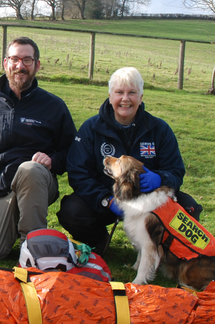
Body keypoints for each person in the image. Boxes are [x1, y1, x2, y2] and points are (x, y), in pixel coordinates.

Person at [0, 37, 76, 264]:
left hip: (36, 183)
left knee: (30, 169)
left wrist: (52, 160)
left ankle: (34, 246)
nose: (20, 66)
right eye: (15, 59)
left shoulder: (54, 106)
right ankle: (9, 225)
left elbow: (71, 151)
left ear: (37, 65)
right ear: (5, 63)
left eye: (27, 60)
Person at [58, 67, 203, 253]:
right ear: (110, 96)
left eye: (132, 93)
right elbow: (78, 174)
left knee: (188, 207)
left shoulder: (159, 129)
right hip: (108, 201)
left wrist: (160, 178)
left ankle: (165, 251)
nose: (125, 99)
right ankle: (99, 242)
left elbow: (176, 171)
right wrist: (107, 200)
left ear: (141, 97)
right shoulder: (91, 129)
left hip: (149, 203)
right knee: (72, 211)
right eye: (119, 92)